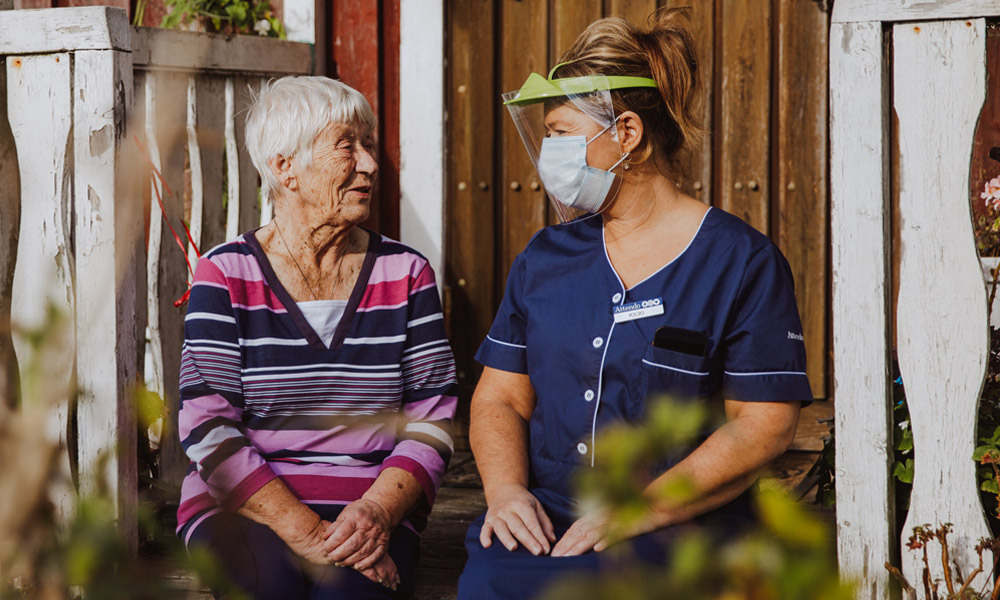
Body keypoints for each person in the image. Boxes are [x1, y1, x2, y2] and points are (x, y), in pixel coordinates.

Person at [457, 11, 812, 599]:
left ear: (627, 133)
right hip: (545, 518)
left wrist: (643, 511)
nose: (549, 152)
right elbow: (499, 396)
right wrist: (505, 493)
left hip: (679, 528)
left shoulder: (741, 262)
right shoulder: (545, 257)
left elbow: (764, 426)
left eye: (562, 133)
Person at [175, 76, 457, 599]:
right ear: (285, 167)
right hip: (246, 511)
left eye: (369, 145)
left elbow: (432, 419)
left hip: (371, 515)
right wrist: (305, 531)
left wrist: (376, 511)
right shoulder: (225, 273)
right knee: (272, 587)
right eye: (347, 145)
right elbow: (207, 425)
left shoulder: (406, 272)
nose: (370, 164)